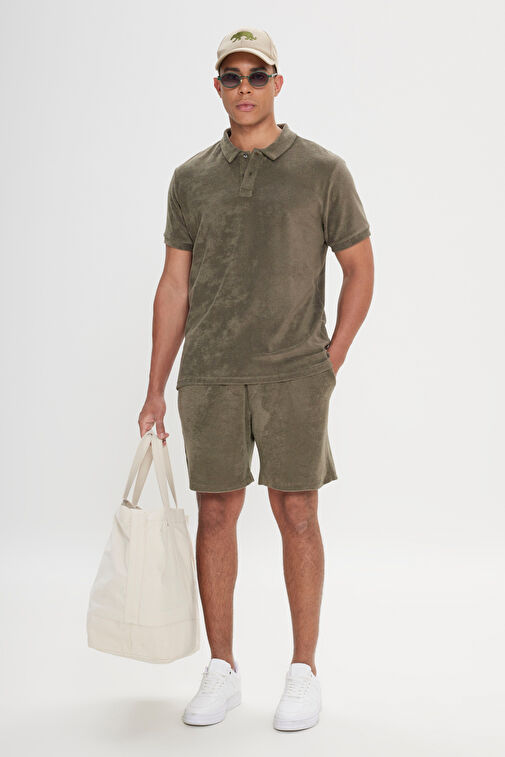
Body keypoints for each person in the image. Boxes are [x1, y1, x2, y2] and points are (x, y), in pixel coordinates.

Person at [138, 26, 374, 731]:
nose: (244, 88)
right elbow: (174, 285)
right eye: (232, 77)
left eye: (257, 75)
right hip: (209, 375)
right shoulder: (190, 178)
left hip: (294, 374)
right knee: (215, 515)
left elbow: (359, 268)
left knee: (297, 513)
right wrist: (154, 388)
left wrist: (329, 360)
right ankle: (222, 668)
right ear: (217, 87)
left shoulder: (322, 170)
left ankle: (303, 670)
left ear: (277, 82)